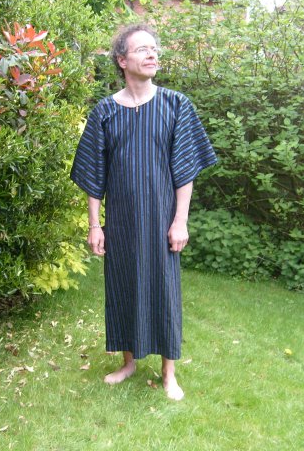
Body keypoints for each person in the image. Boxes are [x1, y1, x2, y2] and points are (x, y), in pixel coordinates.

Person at [70, 24, 217, 401]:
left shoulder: (176, 105)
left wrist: (180, 221)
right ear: (122, 60)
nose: (152, 54)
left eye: (154, 48)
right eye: (142, 49)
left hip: (161, 219)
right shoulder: (104, 112)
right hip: (120, 220)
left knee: (164, 290)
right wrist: (95, 224)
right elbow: (94, 173)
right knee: (121, 286)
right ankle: (129, 362)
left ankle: (169, 373)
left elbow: (185, 170)